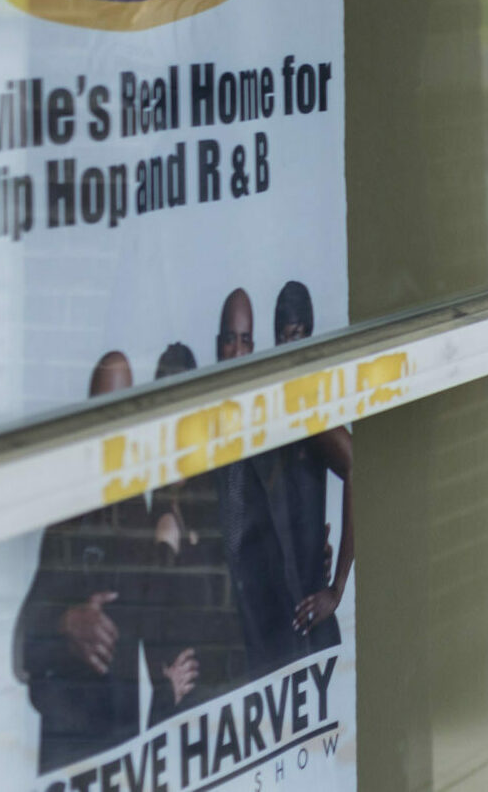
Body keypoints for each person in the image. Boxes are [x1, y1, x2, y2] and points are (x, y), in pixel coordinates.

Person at [14, 354, 169, 770]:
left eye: (123, 410)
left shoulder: (153, 505)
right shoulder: (69, 513)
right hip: (71, 741)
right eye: (103, 410)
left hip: (134, 741)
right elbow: (22, 644)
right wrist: (63, 623)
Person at [143, 342, 249, 722]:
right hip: (185, 707)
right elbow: (144, 616)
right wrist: (161, 677)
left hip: (227, 691)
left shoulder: (210, 493)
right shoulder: (155, 512)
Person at [209, 289, 305, 681]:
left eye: (245, 340)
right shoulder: (203, 424)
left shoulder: (274, 421)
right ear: (218, 346)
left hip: (273, 620)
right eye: (230, 339)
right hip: (222, 623)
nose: (236, 350)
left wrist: (316, 550)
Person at [268, 279, 353, 649]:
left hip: (310, 615)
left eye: (299, 336)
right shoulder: (276, 400)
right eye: (284, 337)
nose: (291, 346)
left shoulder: (308, 405)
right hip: (276, 611)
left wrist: (336, 588)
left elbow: (359, 467)